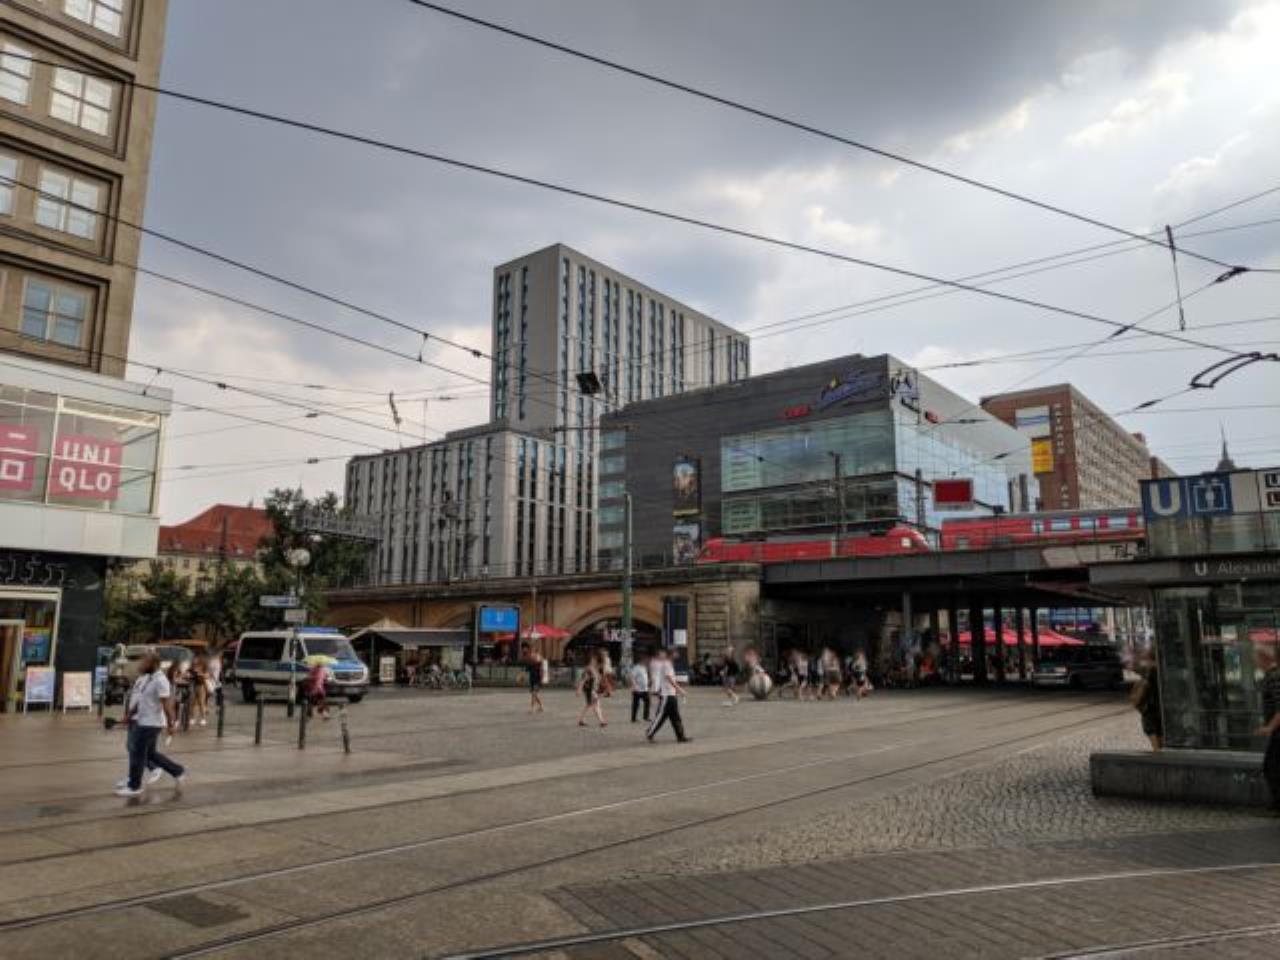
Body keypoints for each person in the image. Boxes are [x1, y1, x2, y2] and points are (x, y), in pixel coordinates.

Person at [115, 650, 185, 797]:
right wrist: (129, 716)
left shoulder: (160, 680)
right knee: (150, 754)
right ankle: (177, 771)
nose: (141, 664)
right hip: (143, 721)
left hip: (151, 724)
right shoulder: (149, 678)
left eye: (144, 662)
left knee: (138, 754)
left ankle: (134, 786)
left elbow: (167, 705)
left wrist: (171, 725)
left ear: (153, 663)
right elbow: (141, 700)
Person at [646, 648, 691, 743]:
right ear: (671, 654)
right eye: (676, 653)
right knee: (661, 716)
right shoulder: (666, 664)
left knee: (675, 717)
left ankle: (681, 736)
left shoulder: (669, 664)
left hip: (671, 694)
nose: (677, 654)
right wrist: (679, 689)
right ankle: (650, 732)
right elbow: (669, 678)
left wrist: (676, 690)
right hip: (666, 695)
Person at [1256, 649, 1280, 811]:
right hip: (1277, 731)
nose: (1256, 662)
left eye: (1257, 658)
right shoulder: (1272, 676)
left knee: (1271, 767)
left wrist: (1269, 727)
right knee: (1272, 766)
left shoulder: (1274, 677)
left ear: (1264, 658)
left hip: (1279, 731)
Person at [1130, 652, 1162, 751]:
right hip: (1154, 713)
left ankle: (1159, 755)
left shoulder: (1147, 673)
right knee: (1159, 744)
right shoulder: (1157, 670)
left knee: (1157, 745)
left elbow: (1135, 701)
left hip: (1151, 713)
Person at [576, 652, 607, 727]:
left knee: (589, 705)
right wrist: (579, 689)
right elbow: (583, 680)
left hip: (592, 690)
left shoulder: (594, 669)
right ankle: (601, 721)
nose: (599, 664)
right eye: (595, 660)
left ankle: (581, 720)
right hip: (589, 690)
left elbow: (597, 680)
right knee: (596, 704)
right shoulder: (589, 669)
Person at [522, 644, 545, 714]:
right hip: (532, 678)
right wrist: (523, 676)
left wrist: (542, 678)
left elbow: (542, 668)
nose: (532, 652)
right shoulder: (530, 659)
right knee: (534, 694)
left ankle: (532, 708)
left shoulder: (539, 658)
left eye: (533, 650)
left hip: (537, 678)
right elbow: (527, 669)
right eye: (531, 650)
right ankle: (541, 706)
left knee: (534, 694)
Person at [189, 653, 210, 727]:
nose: (194, 660)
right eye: (194, 659)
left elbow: (208, 675)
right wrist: (189, 675)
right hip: (193, 685)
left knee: (201, 702)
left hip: (201, 685)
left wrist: (201, 674)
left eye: (196, 659)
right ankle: (192, 718)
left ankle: (203, 719)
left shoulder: (204, 666)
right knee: (192, 703)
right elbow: (188, 673)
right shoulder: (192, 667)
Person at [630, 653, 651, 723]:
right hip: (637, 689)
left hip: (645, 689)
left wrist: (648, 682)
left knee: (647, 702)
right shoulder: (636, 668)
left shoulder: (644, 667)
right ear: (641, 660)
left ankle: (646, 717)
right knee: (636, 704)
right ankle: (633, 718)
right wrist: (634, 686)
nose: (647, 661)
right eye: (645, 660)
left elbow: (645, 676)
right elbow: (632, 677)